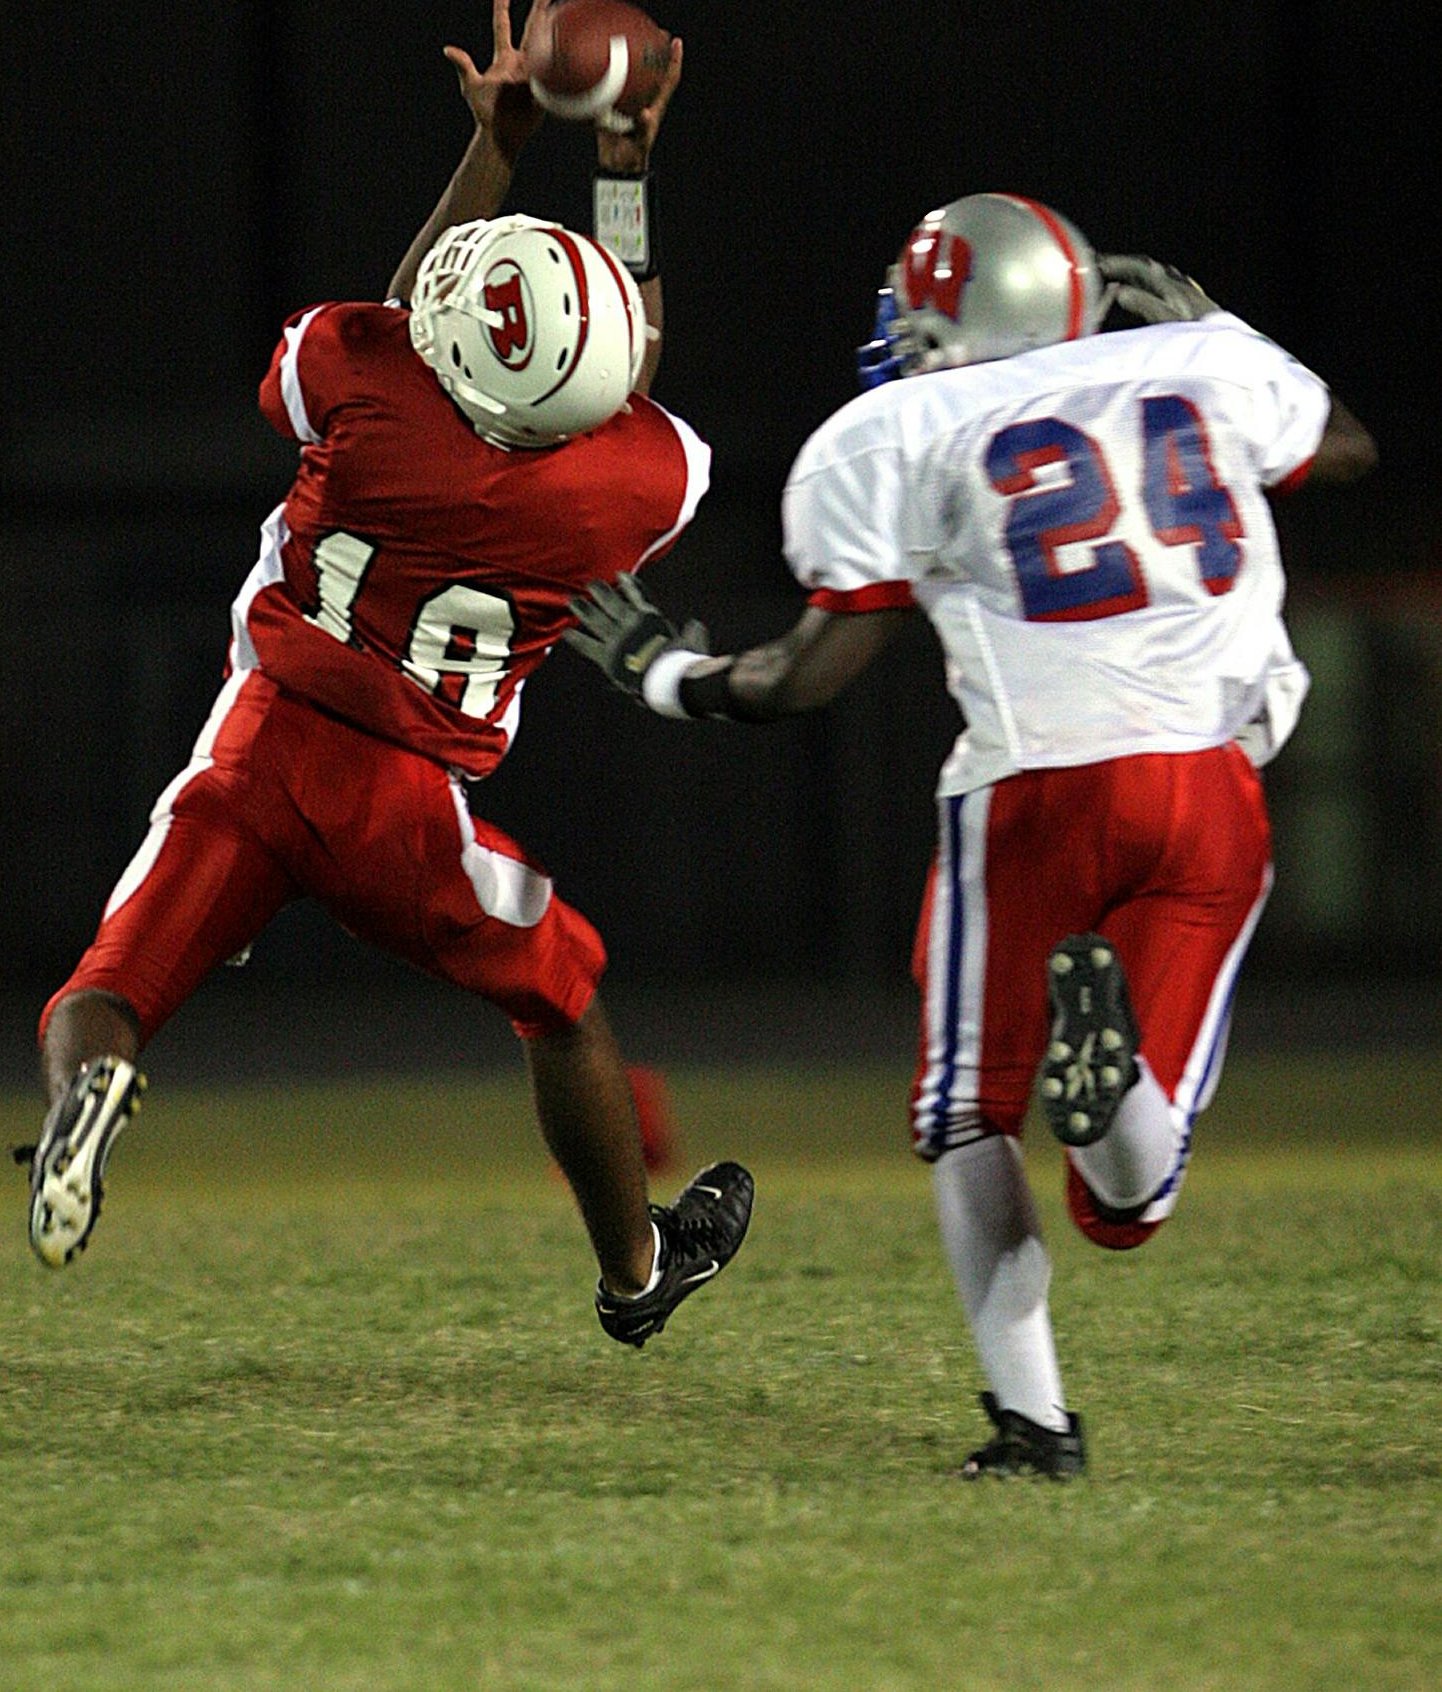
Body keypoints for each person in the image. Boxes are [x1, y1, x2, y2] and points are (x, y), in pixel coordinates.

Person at [567, 191, 1375, 1469]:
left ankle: (1034, 1426)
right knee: (1130, 1201)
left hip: (1034, 794)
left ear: (955, 319)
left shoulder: (892, 429)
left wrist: (670, 671)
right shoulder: (1201, 363)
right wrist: (1225, 325)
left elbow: (801, 676)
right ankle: (1109, 1114)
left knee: (964, 1110)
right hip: (1211, 789)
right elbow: (1339, 446)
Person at [18, 0, 753, 1346]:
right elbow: (635, 358)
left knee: (109, 986)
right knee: (566, 1003)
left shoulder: (367, 382)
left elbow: (412, 307)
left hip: (260, 738)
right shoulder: (627, 486)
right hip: (407, 804)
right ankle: (638, 1271)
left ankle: (86, 1101)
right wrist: (624, 168)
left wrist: (494, 150)